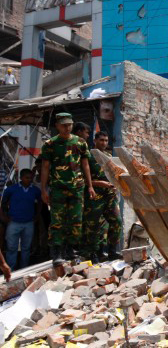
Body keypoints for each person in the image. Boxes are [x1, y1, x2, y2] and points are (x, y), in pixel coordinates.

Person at [40, 113, 95, 267]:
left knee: (76, 220)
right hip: (58, 188)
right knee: (57, 221)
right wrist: (43, 189)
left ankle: (70, 250)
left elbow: (85, 165)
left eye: (69, 125)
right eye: (63, 125)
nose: (67, 128)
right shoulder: (50, 144)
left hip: (77, 188)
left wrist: (90, 186)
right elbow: (45, 167)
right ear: (57, 126)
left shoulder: (80, 143)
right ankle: (57, 253)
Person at [82, 131, 123, 262]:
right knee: (93, 226)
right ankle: (93, 254)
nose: (104, 143)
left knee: (116, 222)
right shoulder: (87, 155)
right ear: (95, 141)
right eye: (101, 140)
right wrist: (98, 183)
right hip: (95, 195)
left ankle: (112, 251)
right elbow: (81, 179)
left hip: (109, 194)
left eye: (106, 140)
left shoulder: (108, 156)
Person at [0, 169, 41, 269]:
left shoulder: (35, 190)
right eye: (27, 178)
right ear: (21, 178)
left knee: (26, 248)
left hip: (28, 222)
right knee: (11, 247)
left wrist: (38, 215)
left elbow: (40, 202)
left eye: (31, 178)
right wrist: (4, 216)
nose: (30, 180)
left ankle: (24, 269)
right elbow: (2, 202)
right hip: (14, 222)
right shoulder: (11, 189)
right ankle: (10, 269)